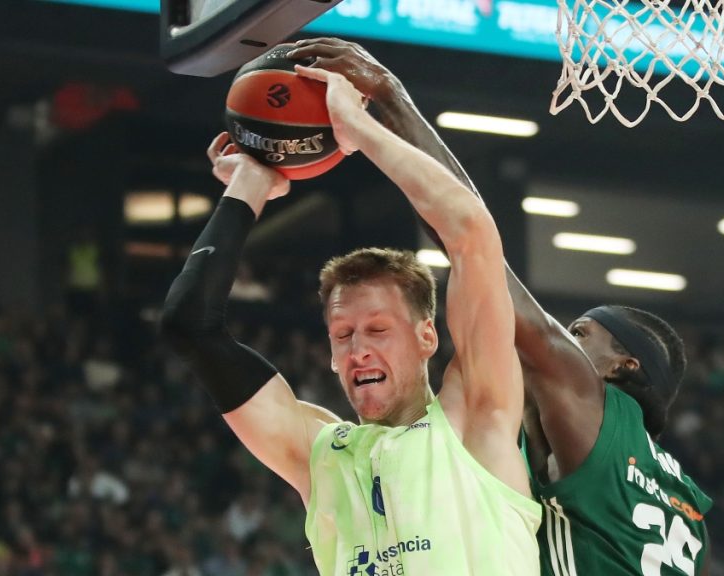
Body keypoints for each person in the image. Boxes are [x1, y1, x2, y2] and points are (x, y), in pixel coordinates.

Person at [287, 38, 712, 576]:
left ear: (621, 367)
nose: (562, 342)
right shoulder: (684, 499)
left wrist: (390, 101)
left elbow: (477, 250)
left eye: (580, 335)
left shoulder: (593, 406)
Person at [159, 66, 540, 575]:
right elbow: (190, 326)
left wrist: (359, 128)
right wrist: (249, 185)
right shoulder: (322, 455)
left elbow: (472, 234)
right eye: (343, 335)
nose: (358, 349)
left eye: (378, 329)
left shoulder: (475, 417)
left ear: (427, 335)